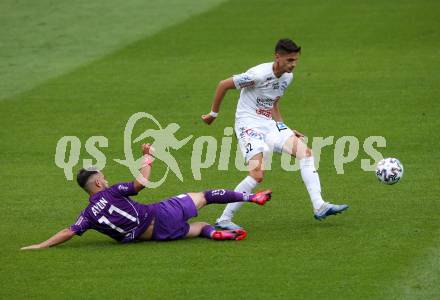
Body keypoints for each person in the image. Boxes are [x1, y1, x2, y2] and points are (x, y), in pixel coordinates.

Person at [201, 38, 348, 230]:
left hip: (270, 125)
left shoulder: (287, 77)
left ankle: (319, 205)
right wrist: (213, 114)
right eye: (289, 60)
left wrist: (283, 128)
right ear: (277, 57)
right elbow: (223, 85)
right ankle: (224, 219)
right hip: (248, 126)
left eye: (295, 60)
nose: (293, 64)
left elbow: (273, 103)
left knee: (306, 154)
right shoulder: (258, 75)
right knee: (257, 174)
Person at [21, 144, 272, 250]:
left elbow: (69, 232)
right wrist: (148, 156)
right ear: (98, 183)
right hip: (161, 214)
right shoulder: (112, 191)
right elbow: (141, 182)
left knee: (201, 226)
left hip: (154, 237)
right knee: (204, 196)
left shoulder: (87, 215)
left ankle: (217, 233)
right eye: (104, 178)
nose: (106, 180)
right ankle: (252, 198)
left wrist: (41, 245)